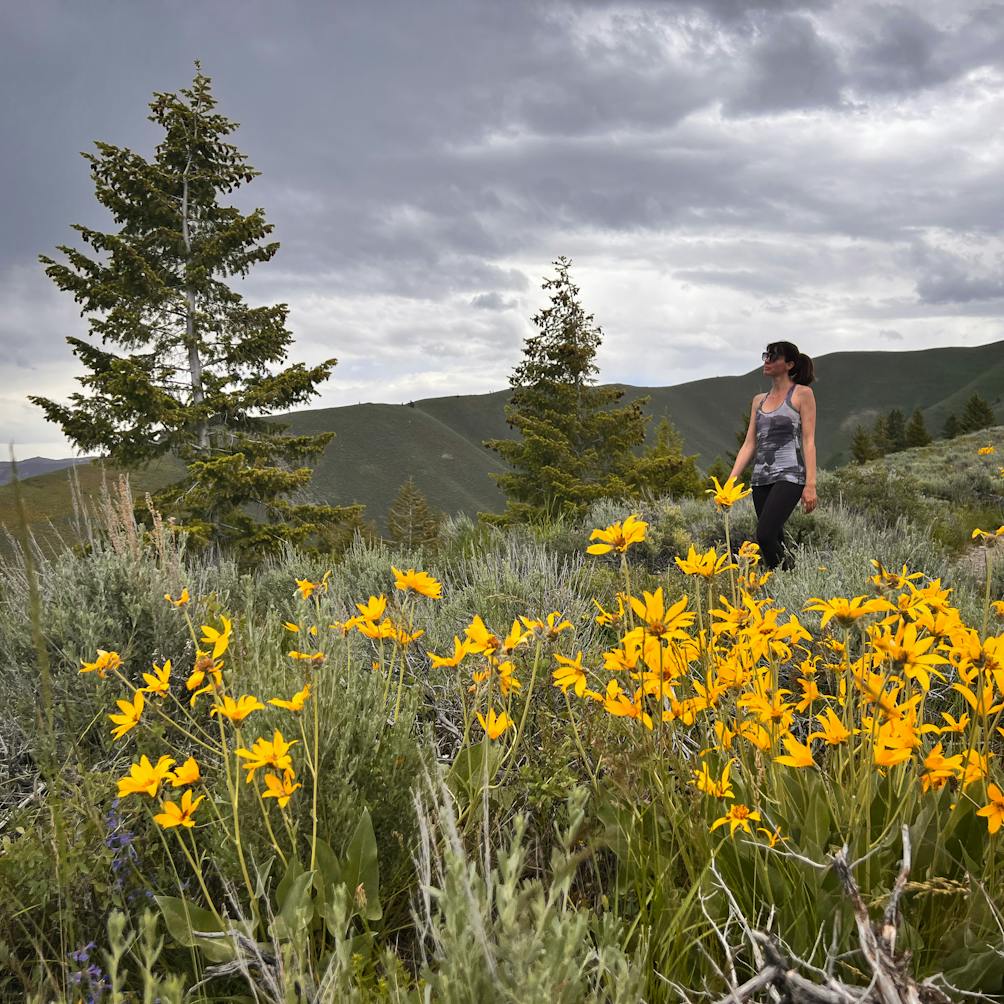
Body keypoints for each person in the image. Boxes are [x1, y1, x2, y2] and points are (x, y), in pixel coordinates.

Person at [729, 342, 816, 570]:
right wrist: (731, 480)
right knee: (775, 539)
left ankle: (790, 579)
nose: (766, 360)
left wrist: (811, 484)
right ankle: (786, 588)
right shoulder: (759, 400)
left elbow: (808, 441)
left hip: (790, 476)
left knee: (764, 535)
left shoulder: (802, 394)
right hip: (761, 479)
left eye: (773, 357)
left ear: (789, 364)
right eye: (766, 355)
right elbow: (749, 444)